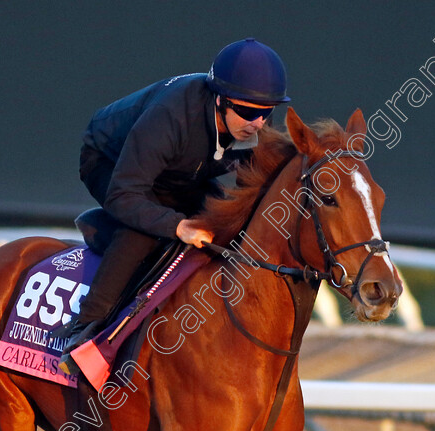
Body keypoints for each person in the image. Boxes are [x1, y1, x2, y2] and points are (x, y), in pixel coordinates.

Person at [57, 38, 291, 373]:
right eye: (249, 112)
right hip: (110, 163)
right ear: (221, 100)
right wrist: (177, 226)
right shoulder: (170, 117)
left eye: (267, 112)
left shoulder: (250, 127)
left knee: (222, 220)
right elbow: (124, 194)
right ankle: (84, 332)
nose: (258, 124)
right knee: (144, 231)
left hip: (177, 173)